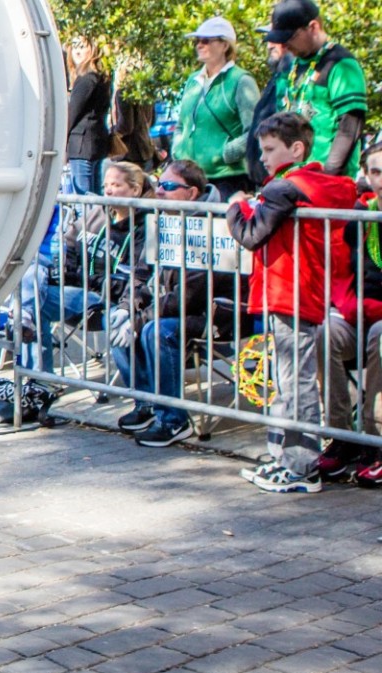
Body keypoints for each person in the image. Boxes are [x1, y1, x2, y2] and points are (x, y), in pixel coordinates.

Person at [227, 111, 356, 493]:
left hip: (292, 291)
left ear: (296, 149)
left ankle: (301, 467)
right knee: (286, 380)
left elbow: (251, 235)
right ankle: (284, 457)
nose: (263, 158)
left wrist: (236, 206)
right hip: (289, 290)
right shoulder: (298, 184)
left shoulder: (286, 187)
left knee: (295, 381)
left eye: (269, 150)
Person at [117, 160, 234, 448]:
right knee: (116, 319)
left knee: (154, 330)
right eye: (159, 185)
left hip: (215, 314)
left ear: (192, 193)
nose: (159, 192)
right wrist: (125, 307)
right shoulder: (162, 219)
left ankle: (173, 420)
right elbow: (141, 275)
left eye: (168, 187)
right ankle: (147, 404)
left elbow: (190, 295)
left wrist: (140, 318)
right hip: (174, 308)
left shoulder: (210, 225)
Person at [29, 162, 152, 371]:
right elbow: (69, 242)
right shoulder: (96, 213)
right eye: (105, 186)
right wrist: (69, 272)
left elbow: (132, 279)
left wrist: (85, 278)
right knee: (33, 301)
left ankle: (144, 398)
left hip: (115, 302)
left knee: (116, 324)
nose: (108, 191)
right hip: (80, 291)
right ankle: (39, 381)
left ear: (135, 190)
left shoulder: (146, 226)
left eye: (115, 184)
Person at [322, 141, 382, 481]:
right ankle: (341, 437)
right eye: (375, 171)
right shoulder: (359, 218)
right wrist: (351, 308)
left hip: (375, 322)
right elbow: (342, 278)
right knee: (325, 333)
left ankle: (374, 439)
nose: (381, 178)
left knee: (380, 335)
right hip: (359, 314)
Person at [259, 0, 366, 177]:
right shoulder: (291, 67)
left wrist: (329, 174)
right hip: (291, 178)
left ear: (313, 27)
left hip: (326, 178)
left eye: (290, 38)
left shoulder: (341, 64)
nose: (284, 46)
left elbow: (350, 125)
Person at [173, 18, 259, 197]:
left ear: (225, 45)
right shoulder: (193, 81)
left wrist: (226, 153)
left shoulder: (241, 80)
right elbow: (182, 124)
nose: (199, 45)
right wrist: (178, 151)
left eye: (206, 40)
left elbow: (255, 130)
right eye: (197, 41)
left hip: (227, 179)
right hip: (191, 179)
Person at [65, 35, 112, 195]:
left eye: (82, 47)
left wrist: (61, 141)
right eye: (75, 46)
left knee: (83, 201)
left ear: (92, 50)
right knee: (94, 198)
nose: (77, 51)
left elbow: (72, 113)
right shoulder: (100, 77)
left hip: (82, 145)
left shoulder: (87, 79)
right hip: (95, 144)